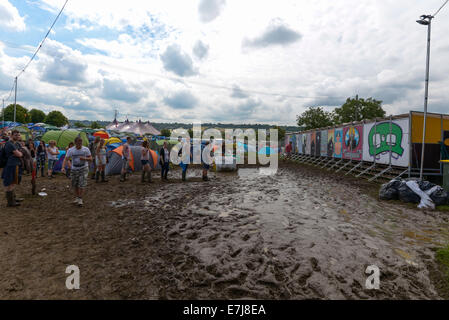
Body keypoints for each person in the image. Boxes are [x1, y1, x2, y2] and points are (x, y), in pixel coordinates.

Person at [62, 136, 92, 207]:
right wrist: (63, 167)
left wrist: (84, 158)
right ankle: (77, 197)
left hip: (83, 168)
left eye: (81, 142)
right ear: (75, 143)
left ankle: (80, 198)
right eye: (78, 142)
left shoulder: (86, 149)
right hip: (74, 169)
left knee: (81, 183)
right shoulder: (71, 150)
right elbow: (66, 159)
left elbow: (91, 159)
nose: (80, 144)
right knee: (74, 184)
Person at [1, 130, 23, 207]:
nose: (17, 136)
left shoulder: (15, 143)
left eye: (18, 135)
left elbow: (20, 152)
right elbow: (19, 154)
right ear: (11, 135)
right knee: (9, 183)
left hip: (14, 165)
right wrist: (19, 153)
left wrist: (19, 153)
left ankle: (13, 198)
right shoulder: (9, 144)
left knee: (13, 182)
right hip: (10, 165)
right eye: (16, 135)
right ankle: (10, 202)